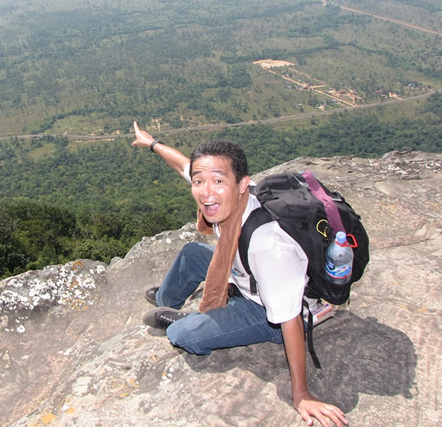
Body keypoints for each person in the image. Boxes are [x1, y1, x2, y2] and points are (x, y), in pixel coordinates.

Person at [131, 121, 348, 427]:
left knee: (183, 336)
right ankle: (168, 300)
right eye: (198, 181)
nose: (206, 192)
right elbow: (184, 165)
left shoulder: (267, 246)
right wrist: (152, 143)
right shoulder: (225, 197)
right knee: (193, 253)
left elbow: (288, 320)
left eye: (218, 181)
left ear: (242, 183)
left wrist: (301, 394)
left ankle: (191, 320)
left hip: (266, 310)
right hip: (245, 272)